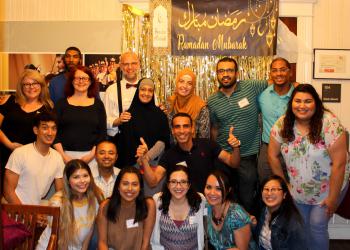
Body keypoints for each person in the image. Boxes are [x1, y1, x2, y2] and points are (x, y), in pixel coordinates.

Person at [268, 84, 350, 250]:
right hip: (300, 189)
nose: (302, 106)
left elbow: (340, 163)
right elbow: (272, 155)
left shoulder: (329, 123)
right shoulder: (282, 124)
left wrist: (333, 198)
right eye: (297, 101)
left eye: (308, 101)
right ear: (291, 103)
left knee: (316, 225)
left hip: (330, 185)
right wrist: (285, 186)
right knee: (302, 227)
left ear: (316, 103)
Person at [208, 57, 269, 214]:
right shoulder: (213, 100)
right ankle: (223, 234)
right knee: (223, 197)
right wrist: (215, 152)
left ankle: (247, 235)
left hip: (247, 156)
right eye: (221, 71)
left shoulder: (251, 86)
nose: (225, 74)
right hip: (223, 157)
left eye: (229, 70)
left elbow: (276, 83)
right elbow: (214, 128)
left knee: (247, 199)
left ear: (236, 73)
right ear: (217, 74)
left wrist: (297, 87)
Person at [137, 112, 240, 193]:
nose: (181, 131)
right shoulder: (168, 155)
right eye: (177, 127)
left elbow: (233, 163)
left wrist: (236, 147)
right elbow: (153, 182)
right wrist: (144, 158)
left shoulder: (208, 145)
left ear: (192, 129)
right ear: (172, 131)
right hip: (183, 205)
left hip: (209, 202)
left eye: (186, 126)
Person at [0, 69, 53, 180]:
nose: (31, 87)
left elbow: (49, 136)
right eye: (27, 84)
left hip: (31, 162)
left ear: (41, 86)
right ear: (21, 87)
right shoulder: (10, 101)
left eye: (35, 83)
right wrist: (9, 144)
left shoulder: (48, 109)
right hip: (4, 157)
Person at [3, 112, 64, 205]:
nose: (50, 133)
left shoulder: (57, 158)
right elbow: (8, 192)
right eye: (45, 128)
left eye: (54, 128)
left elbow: (60, 191)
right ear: (36, 130)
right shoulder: (20, 153)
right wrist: (28, 214)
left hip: (35, 210)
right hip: (13, 210)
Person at [36, 159, 99, 250]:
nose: (82, 181)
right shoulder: (57, 202)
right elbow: (61, 241)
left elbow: (89, 231)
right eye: (76, 177)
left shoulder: (93, 200)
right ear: (68, 180)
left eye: (85, 176)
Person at [54, 65, 107, 165]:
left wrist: (91, 155)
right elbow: (54, 132)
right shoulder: (61, 104)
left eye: (85, 78)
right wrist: (63, 156)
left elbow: (102, 134)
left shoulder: (98, 105)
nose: (81, 81)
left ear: (91, 81)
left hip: (92, 157)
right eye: (77, 78)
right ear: (72, 81)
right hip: (63, 156)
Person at [97, 166, 156, 250]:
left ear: (140, 188)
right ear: (118, 186)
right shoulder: (105, 206)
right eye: (125, 184)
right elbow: (102, 242)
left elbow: (145, 244)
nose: (130, 189)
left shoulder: (148, 204)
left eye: (135, 184)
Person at [151, 165, 206, 249]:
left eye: (183, 182)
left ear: (189, 185)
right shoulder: (158, 201)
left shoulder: (199, 200)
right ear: (168, 184)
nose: (178, 186)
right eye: (173, 181)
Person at [257, 57, 295, 183]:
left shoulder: (298, 95)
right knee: (266, 184)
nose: (279, 73)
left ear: (290, 72)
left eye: (283, 70)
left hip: (293, 148)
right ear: (270, 74)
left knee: (292, 185)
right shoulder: (262, 94)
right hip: (267, 148)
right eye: (275, 70)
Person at [254, 175, 306, 249]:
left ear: (284, 194)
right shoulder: (264, 210)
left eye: (274, 189)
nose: (269, 193)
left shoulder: (293, 223)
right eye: (266, 189)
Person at [204, 169, 252, 250]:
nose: (212, 193)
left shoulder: (236, 214)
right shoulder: (207, 207)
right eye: (208, 187)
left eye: (218, 188)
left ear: (228, 190)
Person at [104, 51, 141, 139]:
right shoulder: (111, 90)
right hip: (118, 141)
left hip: (142, 142)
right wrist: (118, 121)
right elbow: (103, 120)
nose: (130, 67)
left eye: (133, 63)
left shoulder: (147, 88)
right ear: (120, 66)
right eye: (126, 64)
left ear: (139, 65)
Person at [167, 68, 209, 139]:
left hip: (195, 148)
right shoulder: (169, 104)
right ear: (177, 83)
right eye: (181, 81)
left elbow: (204, 137)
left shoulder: (201, 107)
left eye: (189, 83)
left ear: (193, 86)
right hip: (172, 148)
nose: (185, 86)